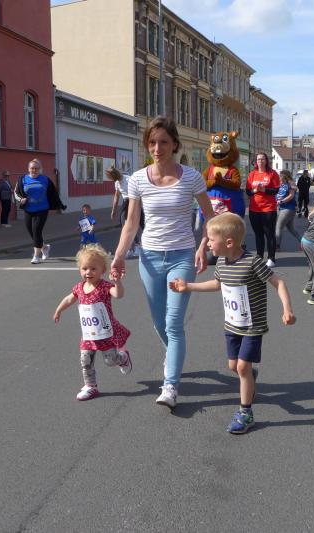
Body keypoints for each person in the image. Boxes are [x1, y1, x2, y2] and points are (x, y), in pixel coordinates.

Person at [110, 116, 215, 409]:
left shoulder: (191, 177)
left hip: (182, 255)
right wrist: (119, 255)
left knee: (173, 322)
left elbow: (210, 216)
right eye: (152, 142)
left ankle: (170, 385)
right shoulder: (138, 179)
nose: (158, 148)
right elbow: (131, 223)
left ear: (175, 144)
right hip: (150, 257)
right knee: (159, 322)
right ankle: (175, 357)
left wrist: (203, 246)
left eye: (164, 142)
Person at [168, 213, 295, 434]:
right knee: (233, 367)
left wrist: (287, 309)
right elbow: (217, 284)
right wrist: (188, 286)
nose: (207, 244)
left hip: (252, 326)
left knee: (242, 367)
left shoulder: (253, 262)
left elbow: (279, 282)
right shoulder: (222, 262)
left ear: (228, 242)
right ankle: (249, 377)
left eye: (211, 239)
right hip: (232, 325)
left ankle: (245, 412)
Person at [53, 244, 133, 401]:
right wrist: (59, 310)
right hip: (88, 334)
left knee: (110, 361)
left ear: (103, 270)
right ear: (79, 269)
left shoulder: (105, 286)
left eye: (93, 269)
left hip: (105, 333)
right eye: (84, 268)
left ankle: (123, 358)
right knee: (85, 360)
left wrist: (117, 282)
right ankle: (91, 386)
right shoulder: (79, 288)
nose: (88, 272)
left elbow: (118, 295)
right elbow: (69, 299)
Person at [14, 158, 66, 264]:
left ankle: (36, 256)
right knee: (32, 232)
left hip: (42, 209)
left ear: (40, 169)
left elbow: (53, 193)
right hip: (28, 210)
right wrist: (21, 199)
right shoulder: (22, 179)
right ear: (28, 169)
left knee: (37, 231)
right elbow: (16, 192)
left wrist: (59, 205)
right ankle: (44, 247)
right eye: (32, 168)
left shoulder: (45, 180)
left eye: (36, 168)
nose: (34, 170)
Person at [246, 152, 280, 267]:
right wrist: (255, 190)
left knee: (269, 234)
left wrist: (264, 190)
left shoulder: (272, 173)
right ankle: (259, 257)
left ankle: (271, 258)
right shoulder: (252, 174)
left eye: (262, 159)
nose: (260, 161)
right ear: (255, 161)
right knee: (258, 234)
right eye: (258, 159)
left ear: (266, 161)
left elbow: (276, 190)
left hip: (268, 209)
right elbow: (248, 191)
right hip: (254, 209)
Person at [107, 165, 142, 258]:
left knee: (132, 225)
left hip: (133, 201)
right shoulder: (117, 183)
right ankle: (130, 248)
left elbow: (138, 192)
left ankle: (137, 246)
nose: (111, 179)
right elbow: (116, 196)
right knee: (124, 225)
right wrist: (113, 210)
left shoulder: (128, 179)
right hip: (125, 203)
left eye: (111, 177)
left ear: (114, 175)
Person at [274, 170, 301, 250]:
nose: (280, 176)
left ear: (285, 176)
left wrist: (281, 201)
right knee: (291, 228)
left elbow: (291, 195)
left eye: (281, 175)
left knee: (278, 226)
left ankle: (276, 246)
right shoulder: (283, 183)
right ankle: (304, 242)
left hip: (288, 208)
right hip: (285, 208)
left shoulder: (290, 183)